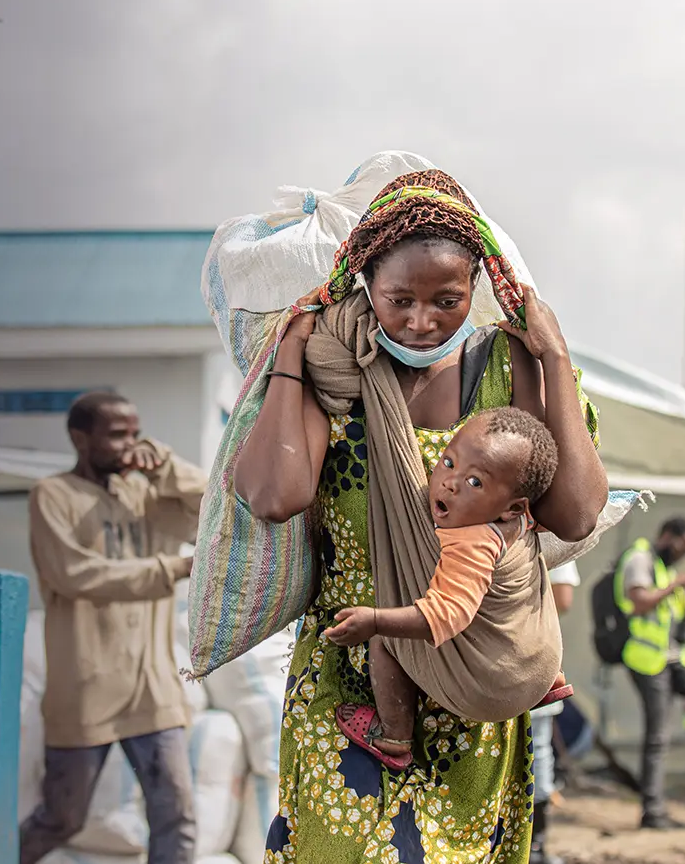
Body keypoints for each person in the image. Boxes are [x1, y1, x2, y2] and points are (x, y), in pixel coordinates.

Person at [234, 169, 608, 863]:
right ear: (365, 284)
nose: (420, 321)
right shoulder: (333, 368)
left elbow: (577, 513)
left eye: (447, 300)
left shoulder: (509, 365)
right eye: (399, 299)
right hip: (353, 673)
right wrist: (289, 352)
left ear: (477, 288)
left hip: (474, 678)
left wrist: (554, 355)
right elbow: (274, 495)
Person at [323, 407, 571, 771]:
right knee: (528, 586)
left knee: (385, 639)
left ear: (511, 507)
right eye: (449, 462)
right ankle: (550, 681)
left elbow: (445, 615)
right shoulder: (524, 519)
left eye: (474, 482)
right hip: (540, 668)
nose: (450, 483)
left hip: (490, 689)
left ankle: (393, 735)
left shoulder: (471, 544)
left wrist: (374, 620)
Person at [20, 392, 204, 864]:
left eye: (135, 433)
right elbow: (75, 574)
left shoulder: (142, 493)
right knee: (63, 818)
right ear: (80, 439)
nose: (130, 444)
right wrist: (171, 569)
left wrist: (165, 466)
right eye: (117, 434)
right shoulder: (52, 495)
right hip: (87, 688)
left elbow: (216, 507)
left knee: (177, 816)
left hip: (153, 690)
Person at [613, 517, 685, 830]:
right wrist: (680, 581)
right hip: (646, 661)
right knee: (657, 738)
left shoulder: (662, 568)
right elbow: (640, 601)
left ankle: (655, 807)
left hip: (664, 661)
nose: (684, 552)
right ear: (666, 535)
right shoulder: (640, 559)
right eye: (682, 545)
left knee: (660, 737)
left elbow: (675, 611)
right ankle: (653, 811)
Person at [529, 560, 580, 864]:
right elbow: (563, 599)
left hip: (477, 658)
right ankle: (534, 847)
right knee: (538, 753)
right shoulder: (552, 537)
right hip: (533, 653)